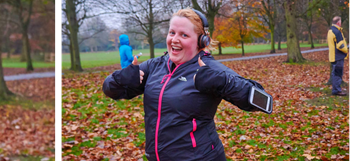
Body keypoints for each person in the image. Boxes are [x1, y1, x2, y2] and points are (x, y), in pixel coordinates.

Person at [102, 7, 270, 161]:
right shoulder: (156, 66)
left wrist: (222, 82)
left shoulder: (210, 69)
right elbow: (109, 90)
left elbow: (263, 101)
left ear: (202, 41)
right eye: (172, 32)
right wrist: (119, 80)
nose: (175, 39)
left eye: (184, 35)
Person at [327, 16, 349, 96]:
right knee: (338, 74)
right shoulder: (337, 31)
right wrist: (346, 50)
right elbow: (340, 45)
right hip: (338, 56)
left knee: (335, 73)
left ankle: (335, 89)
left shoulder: (330, 30)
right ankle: (337, 91)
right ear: (338, 22)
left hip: (333, 56)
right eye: (340, 22)